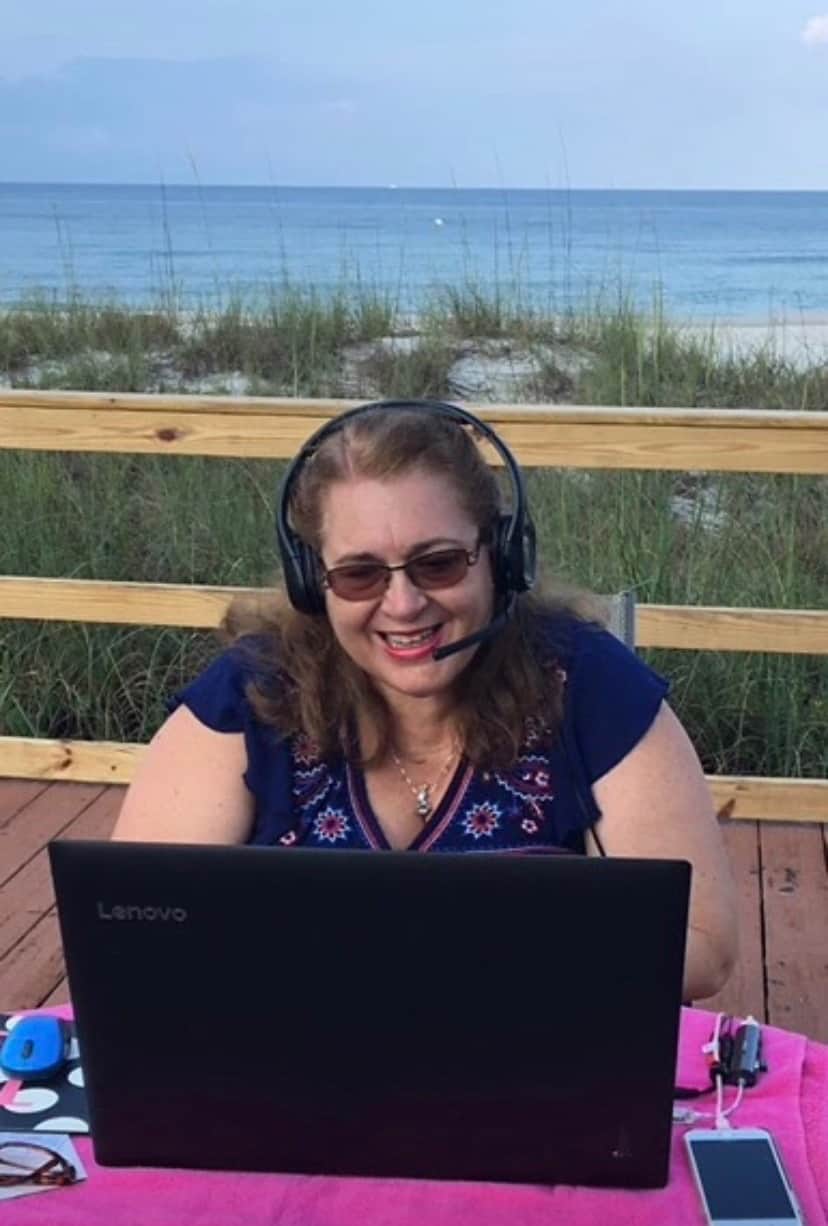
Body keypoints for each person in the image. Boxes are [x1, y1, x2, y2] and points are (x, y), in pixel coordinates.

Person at [112, 398, 737, 1001]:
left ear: (501, 558)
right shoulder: (249, 692)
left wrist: (410, 961)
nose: (404, 604)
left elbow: (703, 945)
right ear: (312, 583)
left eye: (438, 564)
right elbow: (130, 927)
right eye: (359, 574)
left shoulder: (590, 684)